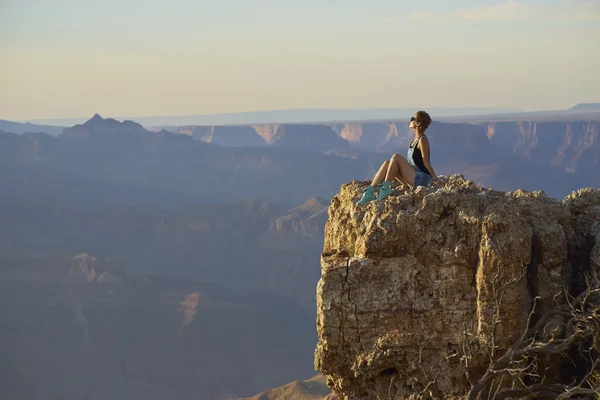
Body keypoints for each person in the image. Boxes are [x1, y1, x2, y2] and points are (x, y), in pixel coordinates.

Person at [356, 110, 437, 204]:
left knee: (396, 157)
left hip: (422, 179)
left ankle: (385, 188)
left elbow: (426, 162)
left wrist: (435, 179)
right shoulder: (414, 140)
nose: (410, 120)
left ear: (418, 123)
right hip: (413, 176)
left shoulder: (422, 140)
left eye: (413, 119)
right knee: (387, 163)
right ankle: (369, 192)